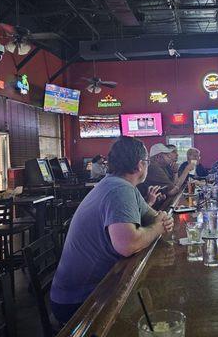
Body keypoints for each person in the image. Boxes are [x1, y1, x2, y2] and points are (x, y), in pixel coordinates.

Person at [50, 137, 174, 324]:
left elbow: (154, 216)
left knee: (147, 295)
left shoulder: (122, 186)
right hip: (79, 301)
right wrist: (157, 228)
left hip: (97, 286)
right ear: (141, 165)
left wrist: (161, 220)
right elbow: (128, 245)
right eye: (147, 161)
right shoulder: (119, 189)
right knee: (154, 313)